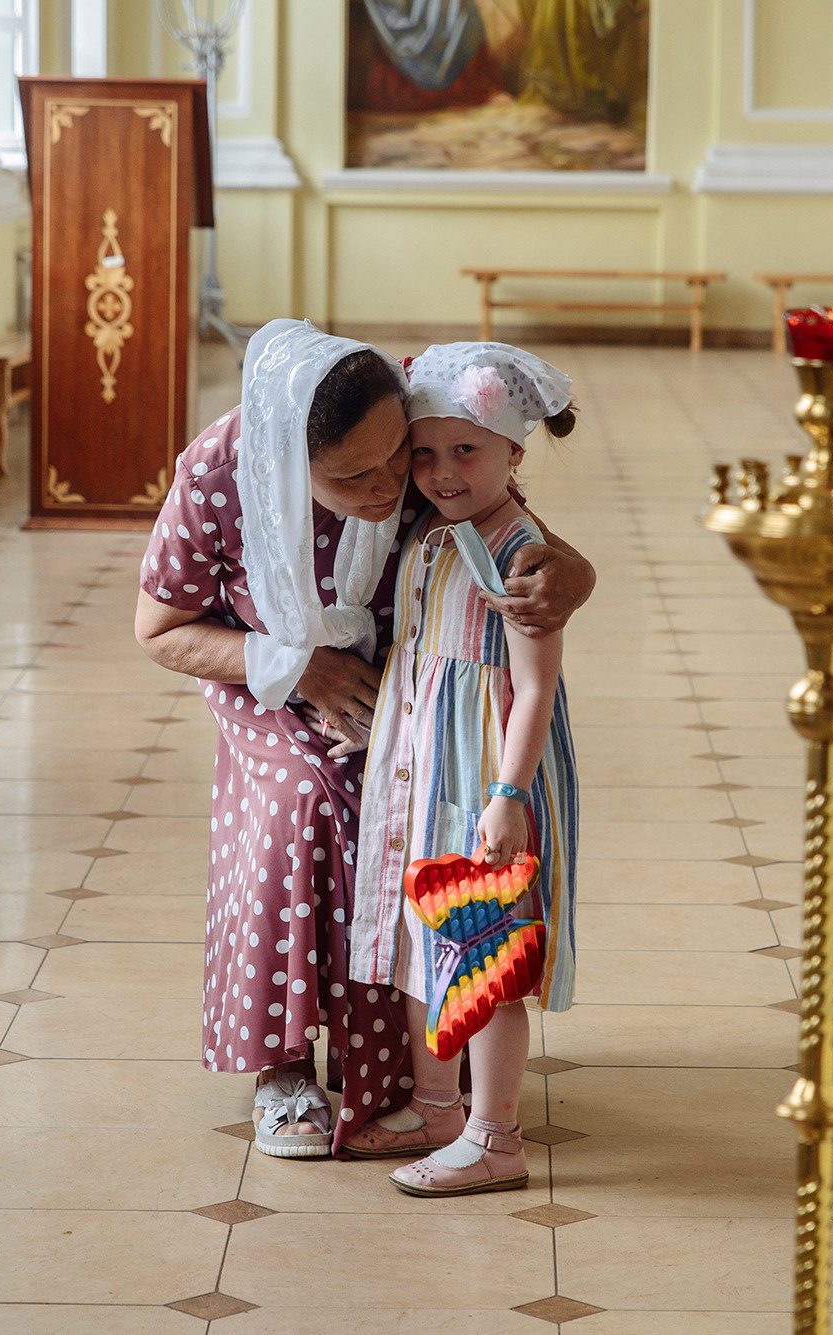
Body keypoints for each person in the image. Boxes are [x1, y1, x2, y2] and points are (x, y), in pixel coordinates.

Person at [134, 320, 594, 1159]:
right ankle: (282, 1065)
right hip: (268, 683)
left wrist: (574, 575)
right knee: (307, 801)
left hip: (406, 693)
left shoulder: (417, 424)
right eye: (352, 476)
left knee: (407, 821)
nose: (390, 487)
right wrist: (299, 667)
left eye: (396, 458)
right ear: (288, 461)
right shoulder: (219, 473)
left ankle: (401, 1067)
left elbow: (516, 532)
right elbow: (160, 629)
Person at [343, 343, 580, 1195]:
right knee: (425, 939)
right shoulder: (437, 530)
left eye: (466, 450)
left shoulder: (519, 552)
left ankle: (496, 1137)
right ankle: (437, 1108)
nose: (442, 472)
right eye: (426, 452)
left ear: (514, 450)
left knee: (488, 953)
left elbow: (535, 683)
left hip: (483, 776)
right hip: (425, 767)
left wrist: (508, 795)